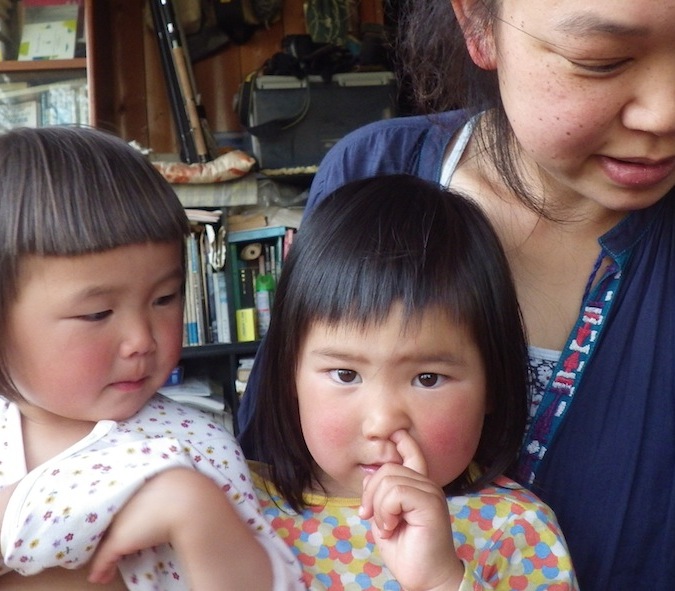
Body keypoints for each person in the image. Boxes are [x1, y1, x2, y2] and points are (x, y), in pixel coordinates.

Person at [237, 1, 675, 589]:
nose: (664, 113)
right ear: (477, 23)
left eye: (427, 378)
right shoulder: (373, 172)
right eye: (599, 60)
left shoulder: (514, 531)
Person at [0, 126, 303, 591]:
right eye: (96, 313)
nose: (141, 339)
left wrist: (196, 512)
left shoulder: (195, 448)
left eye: (165, 298)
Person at [247, 174, 578, 590]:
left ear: (492, 383)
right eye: (346, 374)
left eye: (427, 378)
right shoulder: (239, 508)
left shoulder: (514, 530)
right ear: (289, 376)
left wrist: (440, 580)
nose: (383, 421)